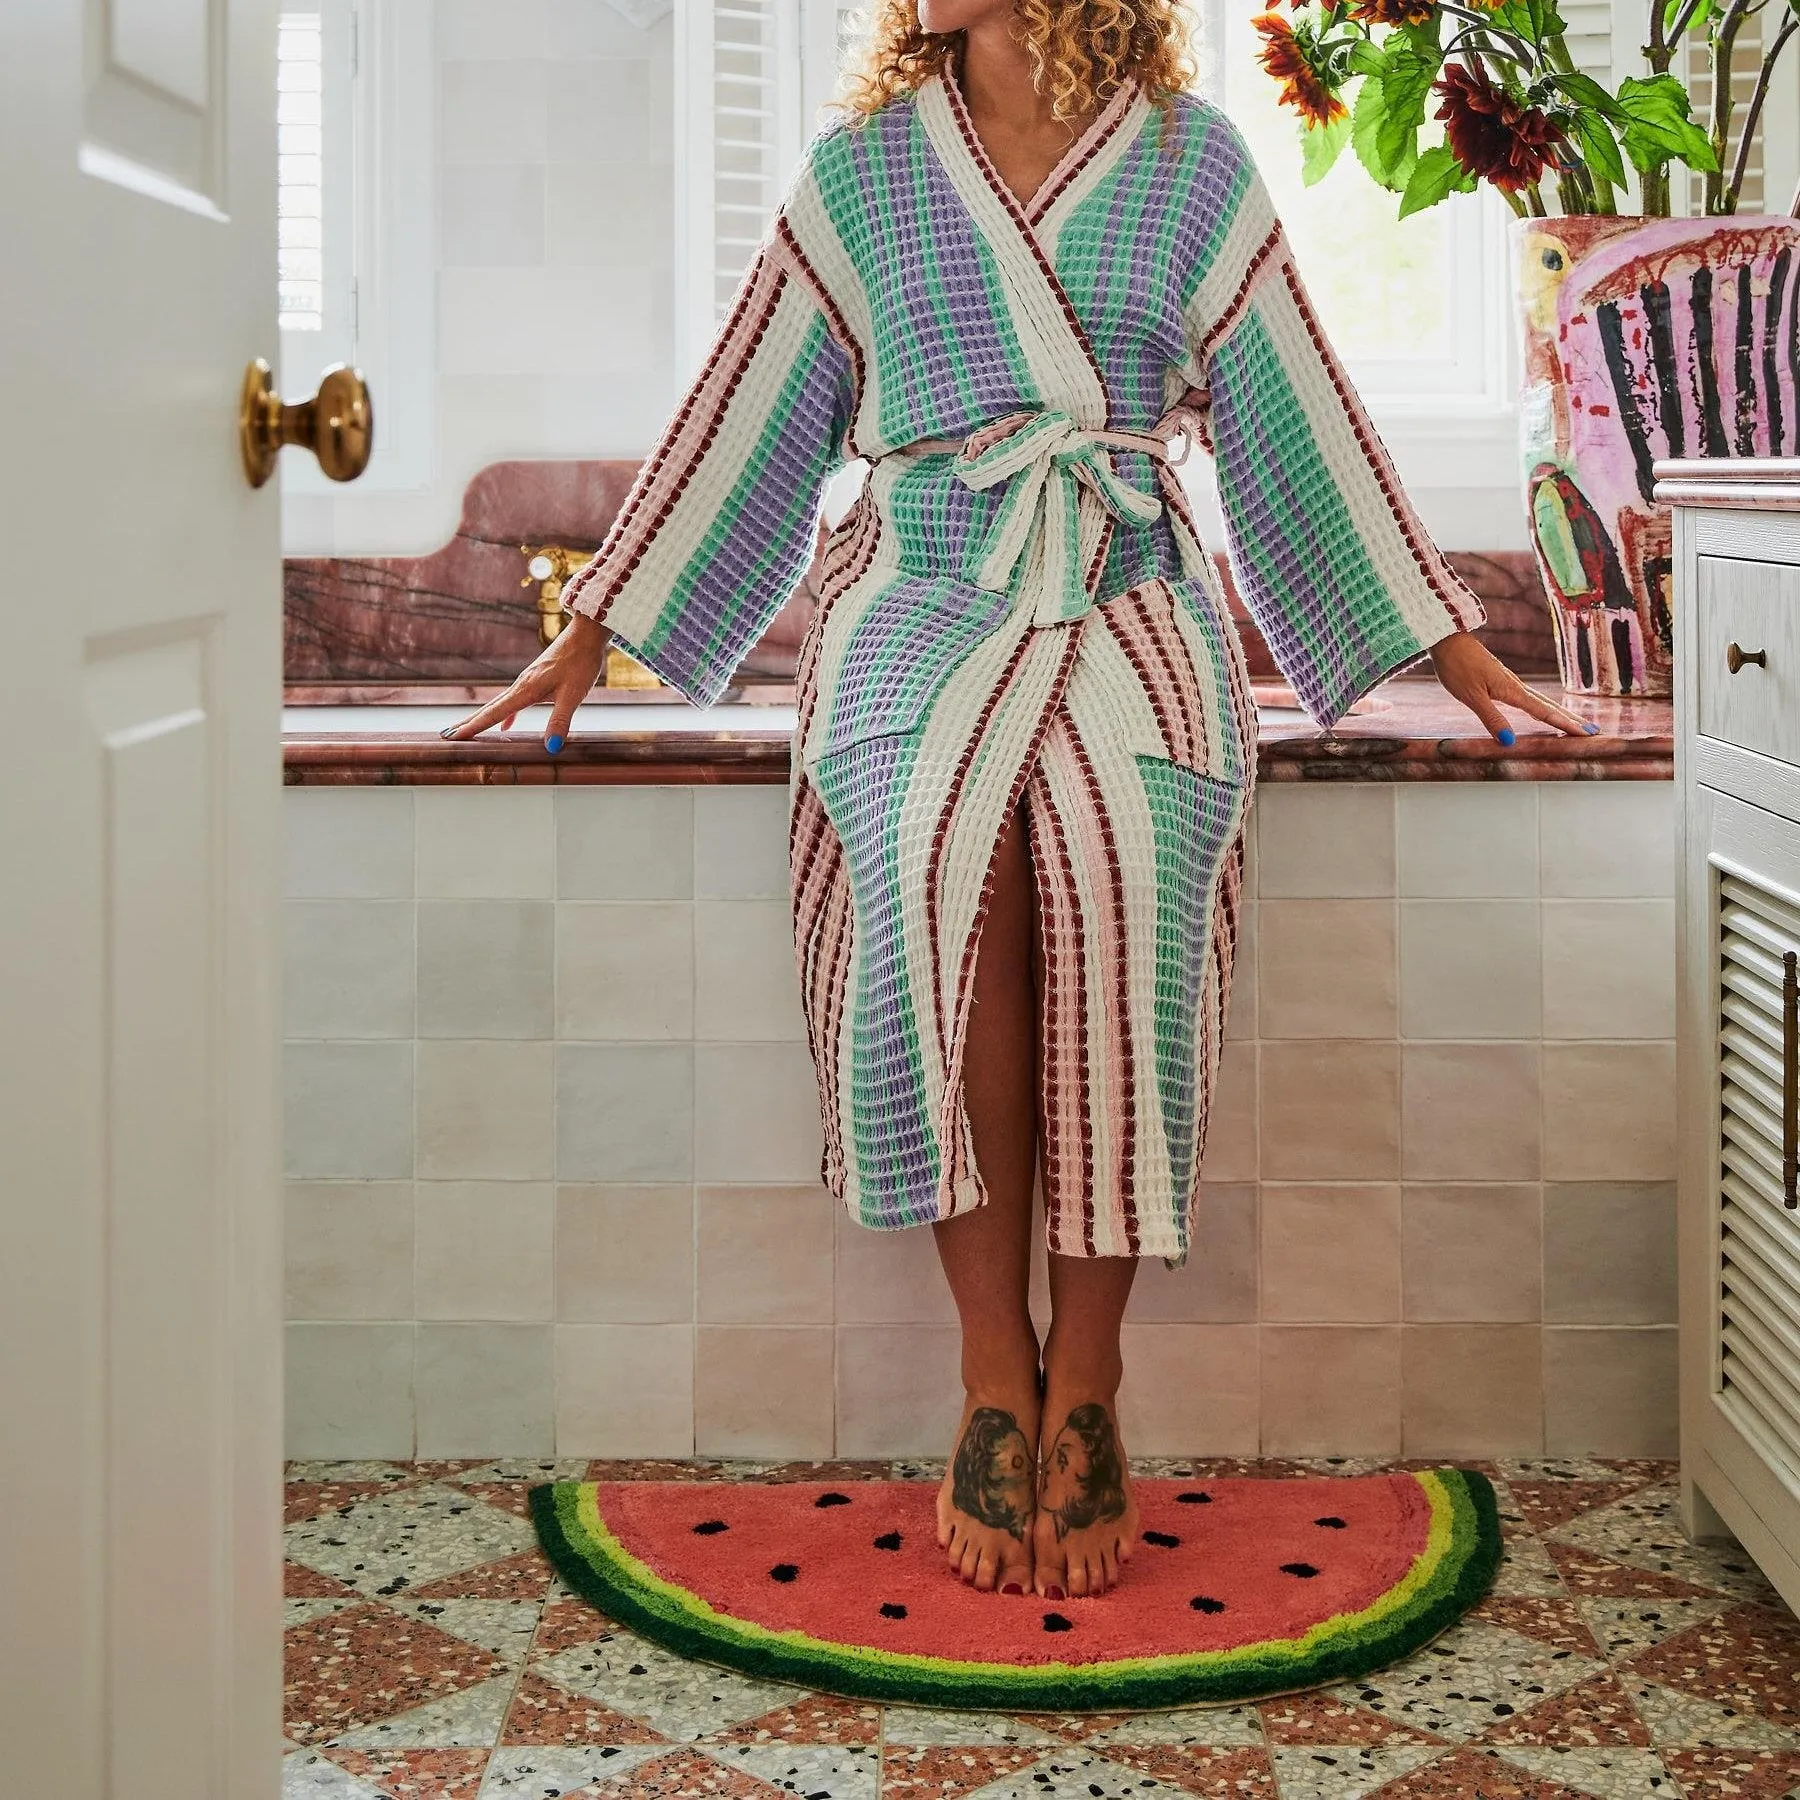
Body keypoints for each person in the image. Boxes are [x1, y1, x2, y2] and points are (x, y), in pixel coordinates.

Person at [446, 0, 1593, 1603]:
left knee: (1138, 851)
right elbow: (749, 417)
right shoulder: (863, 173)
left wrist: (1452, 648)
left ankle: (1096, 1372)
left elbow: (1295, 420)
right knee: (929, 842)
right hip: (923, 583)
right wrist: (588, 634)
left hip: (1126, 580)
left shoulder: (1196, 166)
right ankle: (997, 1367)